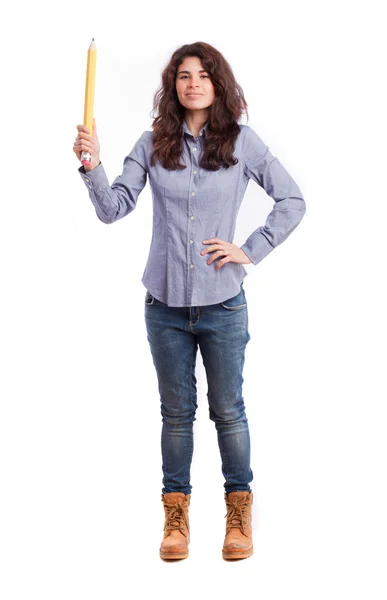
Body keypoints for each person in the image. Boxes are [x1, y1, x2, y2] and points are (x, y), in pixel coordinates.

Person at [73, 41, 306, 561]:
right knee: (176, 415)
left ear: (218, 84)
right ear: (173, 85)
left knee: (229, 411)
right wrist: (92, 165)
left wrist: (249, 250)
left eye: (202, 74)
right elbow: (113, 208)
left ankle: (238, 514)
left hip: (224, 304)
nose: (192, 82)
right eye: (183, 75)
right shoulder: (153, 143)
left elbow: (292, 200)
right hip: (165, 307)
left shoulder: (244, 143)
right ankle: (175, 520)